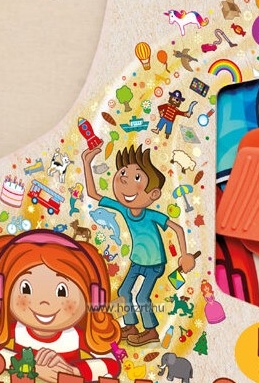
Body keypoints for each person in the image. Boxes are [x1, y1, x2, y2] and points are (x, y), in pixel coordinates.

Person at [82, 144, 196, 346]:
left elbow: (178, 229)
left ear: (154, 194)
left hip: (155, 264)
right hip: (137, 260)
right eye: (123, 173)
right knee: (123, 292)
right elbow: (93, 193)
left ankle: (151, 331)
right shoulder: (124, 209)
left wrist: (185, 255)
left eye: (136, 178)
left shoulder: (152, 215)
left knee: (142, 297)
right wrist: (86, 162)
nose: (124, 180)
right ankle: (131, 326)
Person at [0, 231, 121, 383]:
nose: (44, 302)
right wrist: (32, 367)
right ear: (0, 291)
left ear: (94, 298)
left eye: (62, 291)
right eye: (26, 289)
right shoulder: (18, 330)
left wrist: (73, 371)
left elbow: (112, 364)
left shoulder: (75, 336)